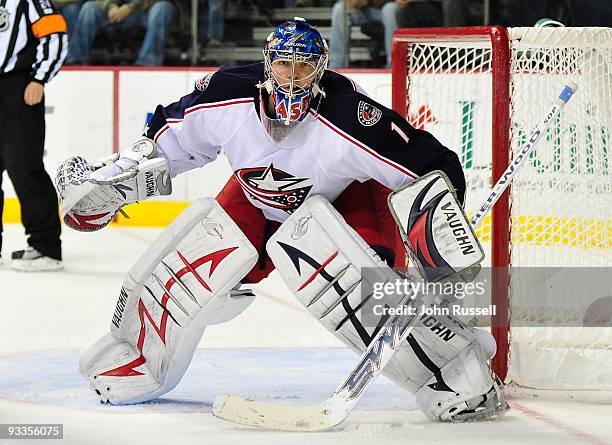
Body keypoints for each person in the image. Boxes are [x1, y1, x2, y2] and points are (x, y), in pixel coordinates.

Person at [56, 18, 507, 421]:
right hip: (256, 197)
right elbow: (166, 142)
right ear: (266, 63)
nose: (293, 76)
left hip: (343, 201)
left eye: (305, 66)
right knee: (189, 264)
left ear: (322, 68)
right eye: (285, 64)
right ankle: (136, 357)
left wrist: (436, 233)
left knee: (356, 290)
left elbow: (432, 165)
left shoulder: (351, 116)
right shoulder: (227, 92)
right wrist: (114, 182)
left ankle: (458, 366)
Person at [0, 0, 67, 271]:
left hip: (19, 87)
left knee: (24, 166)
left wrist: (39, 78)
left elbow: (55, 35)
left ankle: (46, 247)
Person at [66, 0, 177, 66]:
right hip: (114, 11)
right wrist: (110, 6)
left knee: (163, 8)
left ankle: (148, 62)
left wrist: (130, 7)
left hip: (146, 10)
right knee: (89, 8)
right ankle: (77, 60)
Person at [328, 0, 398, 68]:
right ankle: (337, 67)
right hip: (364, 10)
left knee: (390, 9)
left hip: (389, 8)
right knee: (340, 8)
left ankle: (393, 67)